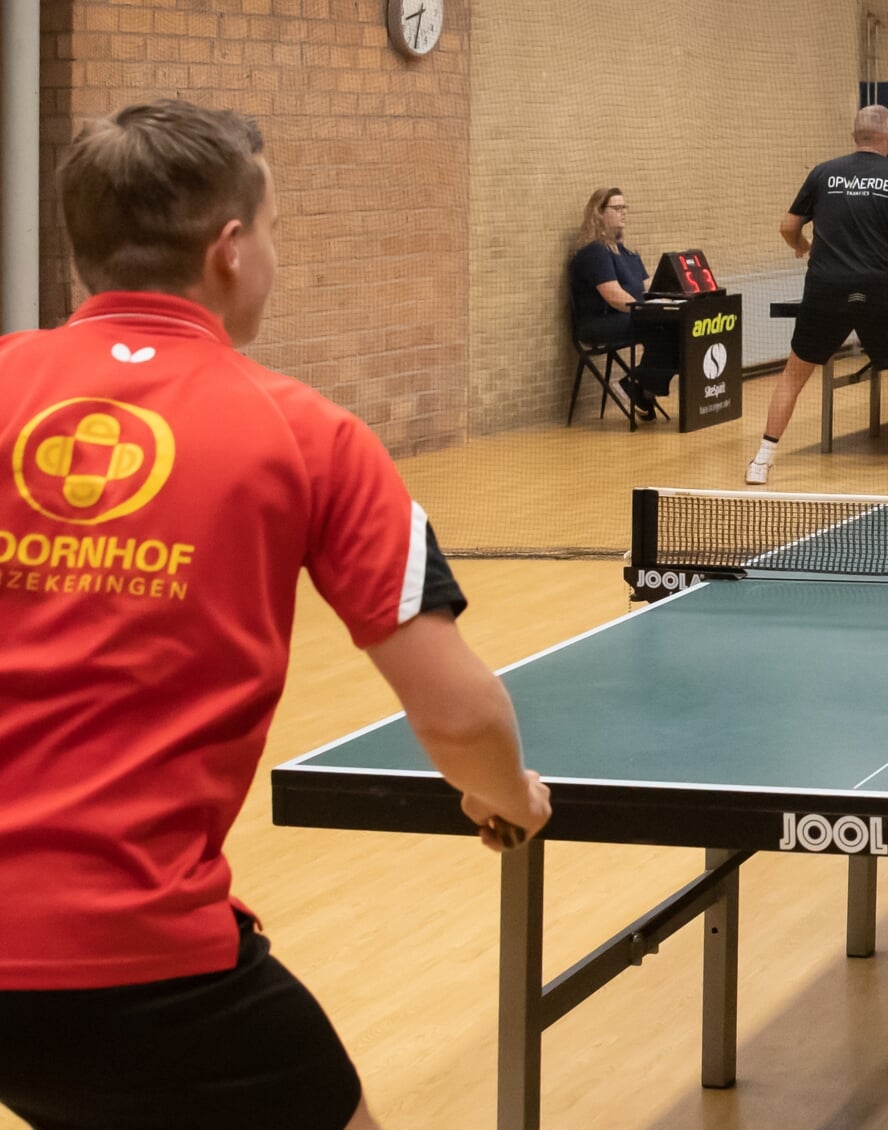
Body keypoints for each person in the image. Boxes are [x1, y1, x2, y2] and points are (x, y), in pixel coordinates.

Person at [0, 100, 551, 1130]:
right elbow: (460, 715)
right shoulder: (313, 437)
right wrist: (506, 798)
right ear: (230, 247)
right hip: (138, 960)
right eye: (279, 228)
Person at [747, 104, 888, 485]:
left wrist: (803, 246)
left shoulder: (823, 173)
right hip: (878, 286)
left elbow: (787, 227)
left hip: (825, 286)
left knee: (795, 373)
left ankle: (761, 462)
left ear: (854, 136)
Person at [567, 186, 677, 422]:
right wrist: (650, 311)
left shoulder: (629, 255)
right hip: (599, 323)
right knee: (664, 328)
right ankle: (639, 387)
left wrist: (670, 299)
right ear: (599, 213)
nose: (623, 213)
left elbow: (649, 289)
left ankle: (641, 389)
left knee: (679, 326)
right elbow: (614, 296)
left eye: (624, 208)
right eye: (616, 208)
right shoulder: (594, 252)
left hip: (627, 317)